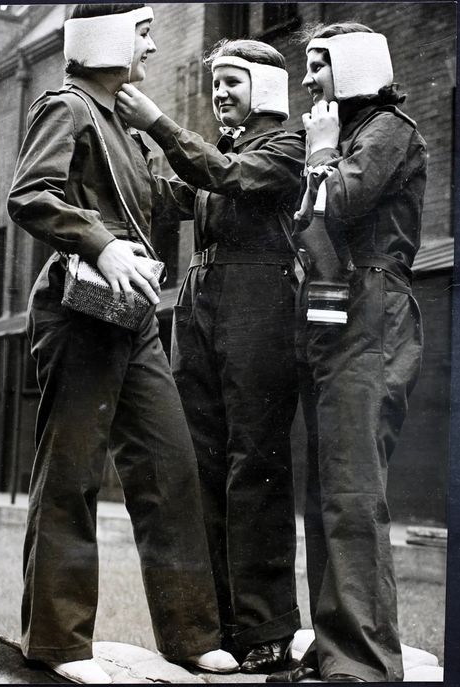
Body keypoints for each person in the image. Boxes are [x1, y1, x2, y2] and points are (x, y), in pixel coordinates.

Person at [7, 4, 239, 683]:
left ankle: (191, 632)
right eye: (143, 31)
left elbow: (165, 197)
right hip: (79, 313)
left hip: (131, 318)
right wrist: (103, 244)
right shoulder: (67, 106)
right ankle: (58, 642)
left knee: (171, 470)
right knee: (72, 479)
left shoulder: (122, 125)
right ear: (104, 38)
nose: (153, 44)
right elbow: (30, 193)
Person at [116, 38, 305, 674]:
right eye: (216, 83)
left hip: (259, 297)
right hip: (199, 300)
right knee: (201, 463)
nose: (220, 94)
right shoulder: (218, 153)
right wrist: (124, 152)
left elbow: (224, 180)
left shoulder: (288, 147)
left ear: (267, 88)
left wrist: (159, 125)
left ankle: (269, 627)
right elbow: (177, 194)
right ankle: (221, 626)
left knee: (256, 462)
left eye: (233, 82)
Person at [267, 22, 427, 683]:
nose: (305, 80)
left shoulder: (387, 128)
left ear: (355, 69)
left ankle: (361, 659)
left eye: (317, 66)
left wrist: (321, 152)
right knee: (329, 489)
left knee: (353, 489)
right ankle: (335, 645)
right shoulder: (355, 137)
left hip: (373, 309)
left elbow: (335, 204)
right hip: (337, 312)